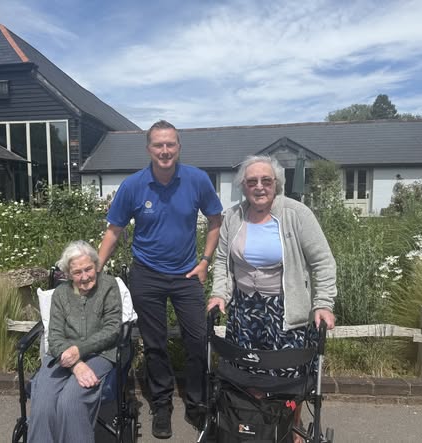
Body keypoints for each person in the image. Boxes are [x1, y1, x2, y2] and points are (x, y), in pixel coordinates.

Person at [98, 120, 223, 438]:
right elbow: (114, 231)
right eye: (158, 145)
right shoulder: (134, 185)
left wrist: (205, 261)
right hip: (147, 275)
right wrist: (97, 267)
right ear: (149, 149)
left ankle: (196, 404)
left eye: (170, 144)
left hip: (186, 275)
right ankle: (162, 405)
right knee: (154, 346)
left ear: (179, 147)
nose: (165, 150)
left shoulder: (196, 180)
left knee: (197, 340)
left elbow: (215, 219)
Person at [207, 155, 336, 443]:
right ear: (243, 186)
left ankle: (291, 427)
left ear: (277, 183)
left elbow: (323, 262)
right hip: (244, 309)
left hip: (284, 308)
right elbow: (221, 262)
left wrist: (324, 303)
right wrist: (218, 294)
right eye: (252, 181)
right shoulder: (233, 217)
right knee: (248, 373)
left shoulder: (296, 214)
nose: (259, 187)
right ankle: (254, 425)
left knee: (286, 375)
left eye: (266, 180)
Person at [28, 240, 122, 443]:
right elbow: (54, 336)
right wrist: (76, 364)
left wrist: (79, 351)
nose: (85, 276)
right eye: (77, 272)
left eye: (88, 269)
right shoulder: (61, 294)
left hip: (100, 354)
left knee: (70, 401)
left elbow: (112, 330)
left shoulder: (109, 286)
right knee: (43, 401)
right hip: (62, 355)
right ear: (69, 275)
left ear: (96, 265)